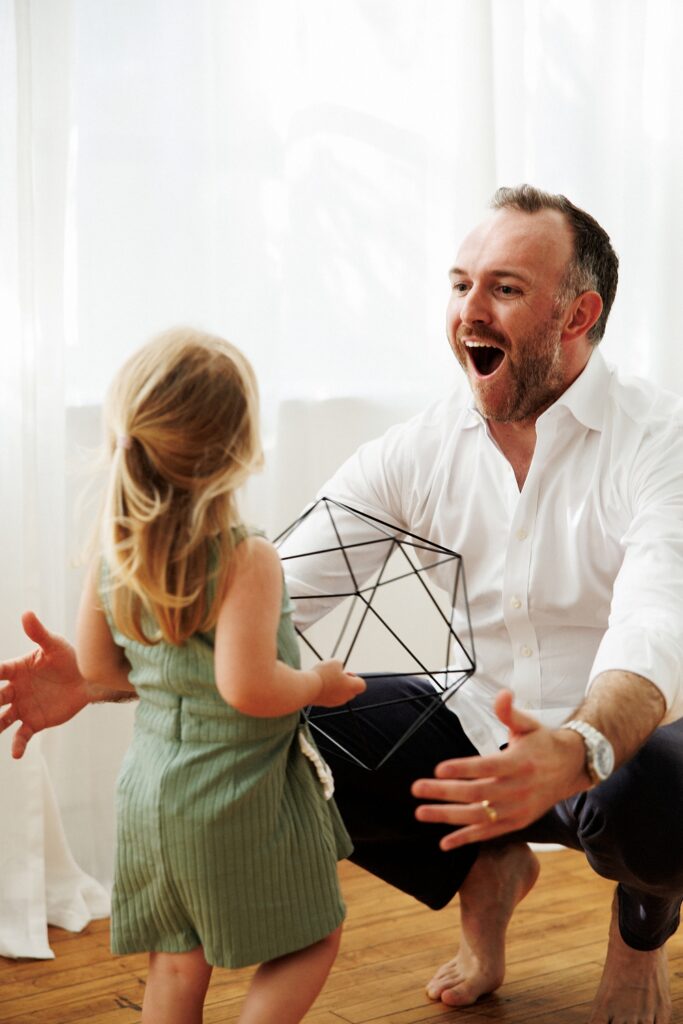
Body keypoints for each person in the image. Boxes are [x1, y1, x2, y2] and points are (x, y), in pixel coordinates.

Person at [2, 186, 682, 1024]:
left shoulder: (659, 439)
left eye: (503, 288)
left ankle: (641, 929)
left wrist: (573, 748)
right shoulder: (419, 449)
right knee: (294, 728)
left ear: (577, 315)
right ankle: (483, 869)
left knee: (658, 785)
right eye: (460, 282)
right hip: (480, 729)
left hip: (627, 739)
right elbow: (265, 611)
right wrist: (111, 675)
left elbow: (654, 633)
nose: (469, 309)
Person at [10, 327, 365, 1024]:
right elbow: (248, 688)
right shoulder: (245, 556)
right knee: (311, 938)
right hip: (232, 792)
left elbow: (100, 670)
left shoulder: (116, 551)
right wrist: (317, 683)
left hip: (147, 795)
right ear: (239, 449)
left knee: (175, 965)